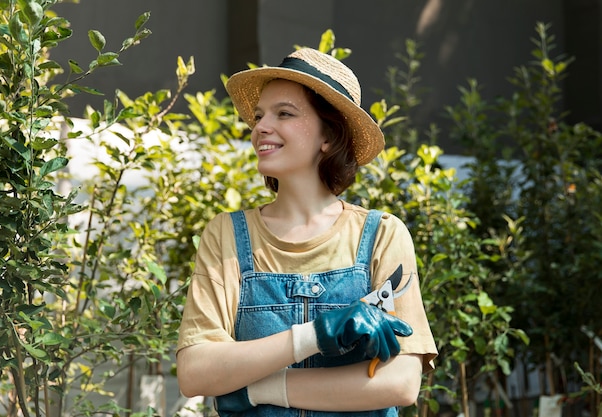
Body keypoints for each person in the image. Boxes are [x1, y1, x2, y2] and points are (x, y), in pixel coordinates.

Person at [176, 47, 438, 416]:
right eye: (259, 116)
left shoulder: (382, 235)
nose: (261, 127)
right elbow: (195, 371)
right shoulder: (227, 236)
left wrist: (258, 389)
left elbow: (401, 382)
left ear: (328, 136)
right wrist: (314, 336)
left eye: (284, 114)